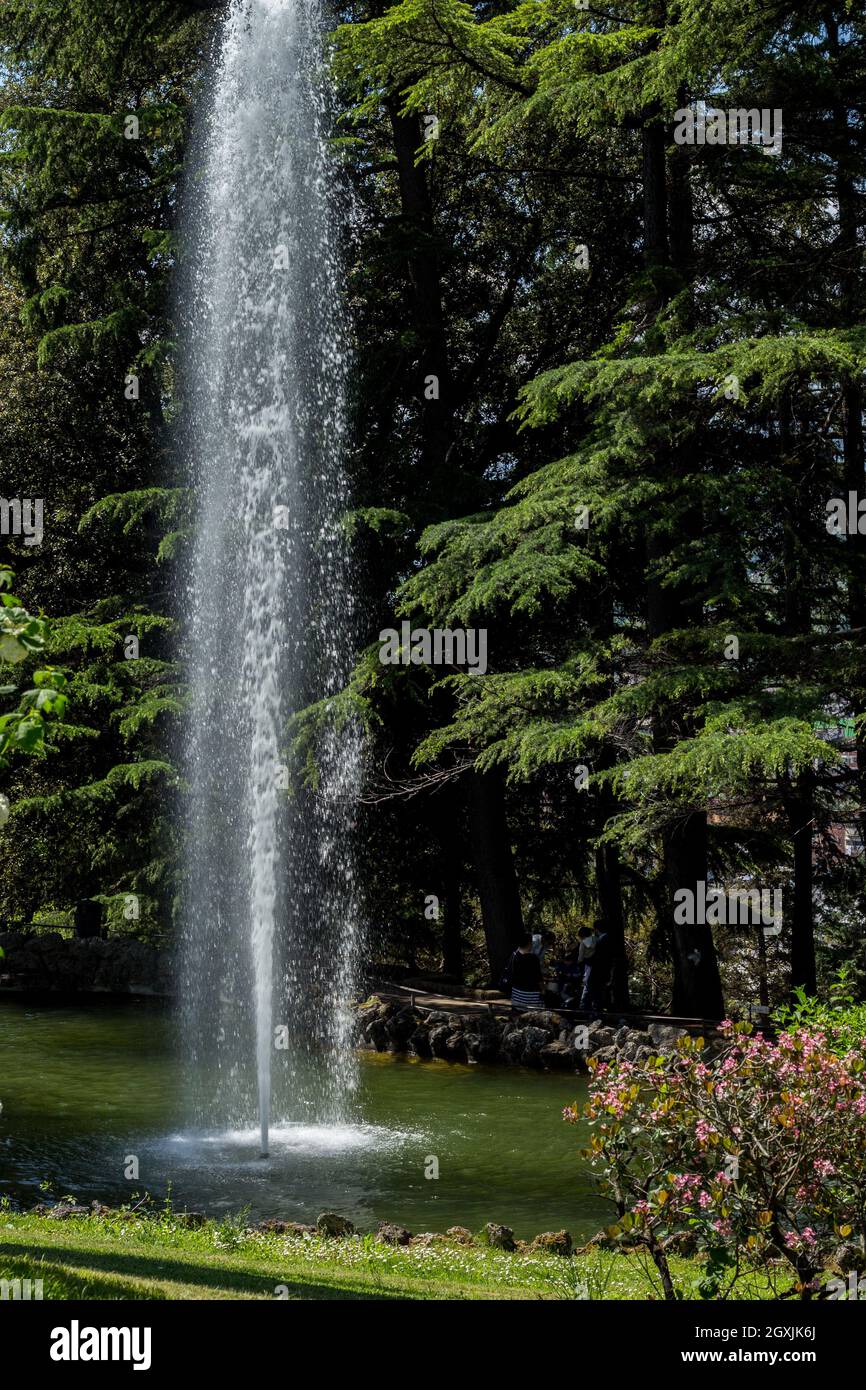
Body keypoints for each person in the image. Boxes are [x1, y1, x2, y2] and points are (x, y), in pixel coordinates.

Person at [582, 919, 613, 1012]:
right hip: (604, 972)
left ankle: (587, 1014)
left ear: (596, 929)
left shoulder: (600, 941)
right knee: (598, 995)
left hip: (596, 972)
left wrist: (587, 960)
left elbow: (597, 957)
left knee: (590, 995)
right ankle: (596, 1013)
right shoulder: (609, 939)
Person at [507, 933, 544, 1011]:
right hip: (530, 999)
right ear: (529, 943)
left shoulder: (514, 955)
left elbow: (511, 974)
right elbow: (538, 978)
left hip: (516, 997)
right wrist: (543, 990)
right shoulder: (533, 958)